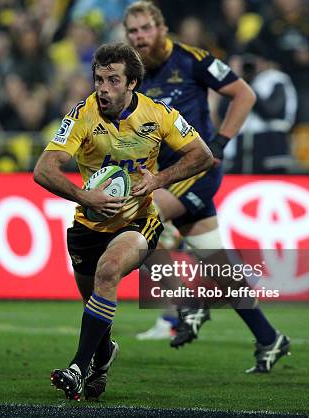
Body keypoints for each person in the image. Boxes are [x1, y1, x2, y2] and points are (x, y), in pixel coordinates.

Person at [34, 42, 213, 400]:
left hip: (138, 222)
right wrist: (85, 196)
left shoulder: (159, 114)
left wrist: (159, 180)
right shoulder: (82, 115)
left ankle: (76, 368)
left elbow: (202, 156)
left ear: (132, 83)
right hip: (88, 224)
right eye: (99, 79)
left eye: (113, 80)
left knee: (108, 271)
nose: (103, 88)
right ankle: (102, 358)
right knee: (97, 301)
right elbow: (43, 170)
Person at [124, 1, 290, 373]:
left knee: (135, 226)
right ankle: (269, 338)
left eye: (145, 29)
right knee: (219, 265)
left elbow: (244, 94)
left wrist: (221, 142)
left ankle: (186, 307)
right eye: (133, 32)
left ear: (162, 27)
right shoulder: (132, 72)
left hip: (197, 168)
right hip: (162, 175)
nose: (140, 37)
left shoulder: (192, 60)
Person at [224, 42, 298, 174]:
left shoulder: (276, 79)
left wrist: (247, 88)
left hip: (271, 144)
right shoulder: (239, 83)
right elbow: (222, 113)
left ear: (264, 61)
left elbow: (273, 111)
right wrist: (233, 80)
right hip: (243, 147)